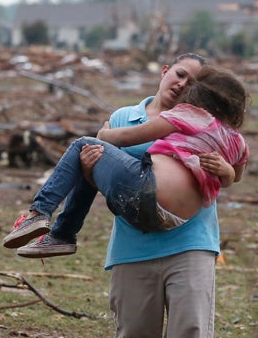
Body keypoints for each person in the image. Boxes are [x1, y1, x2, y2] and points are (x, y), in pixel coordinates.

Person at [2, 62, 249, 263]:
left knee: (84, 146)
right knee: (94, 158)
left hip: (147, 195)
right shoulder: (237, 140)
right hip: (171, 220)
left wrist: (104, 133)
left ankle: (42, 215)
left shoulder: (188, 114)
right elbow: (236, 177)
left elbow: (128, 137)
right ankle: (61, 234)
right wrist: (227, 171)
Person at [94, 53, 234, 338]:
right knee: (134, 331)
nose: (183, 84)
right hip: (133, 246)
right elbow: (102, 172)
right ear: (165, 71)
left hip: (190, 245)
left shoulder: (210, 124)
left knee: (189, 330)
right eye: (180, 74)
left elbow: (232, 171)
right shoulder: (123, 118)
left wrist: (227, 170)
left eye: (192, 82)